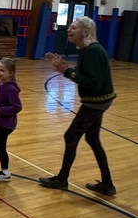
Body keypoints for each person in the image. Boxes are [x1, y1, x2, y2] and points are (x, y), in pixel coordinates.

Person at [39, 16, 117, 195]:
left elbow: (93, 83)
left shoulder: (93, 51)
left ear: (86, 32)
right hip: (98, 101)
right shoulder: (86, 50)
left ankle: (62, 179)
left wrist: (65, 71)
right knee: (92, 139)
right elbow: (85, 74)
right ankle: (107, 184)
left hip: (96, 102)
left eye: (73, 28)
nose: (69, 30)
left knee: (71, 136)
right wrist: (65, 67)